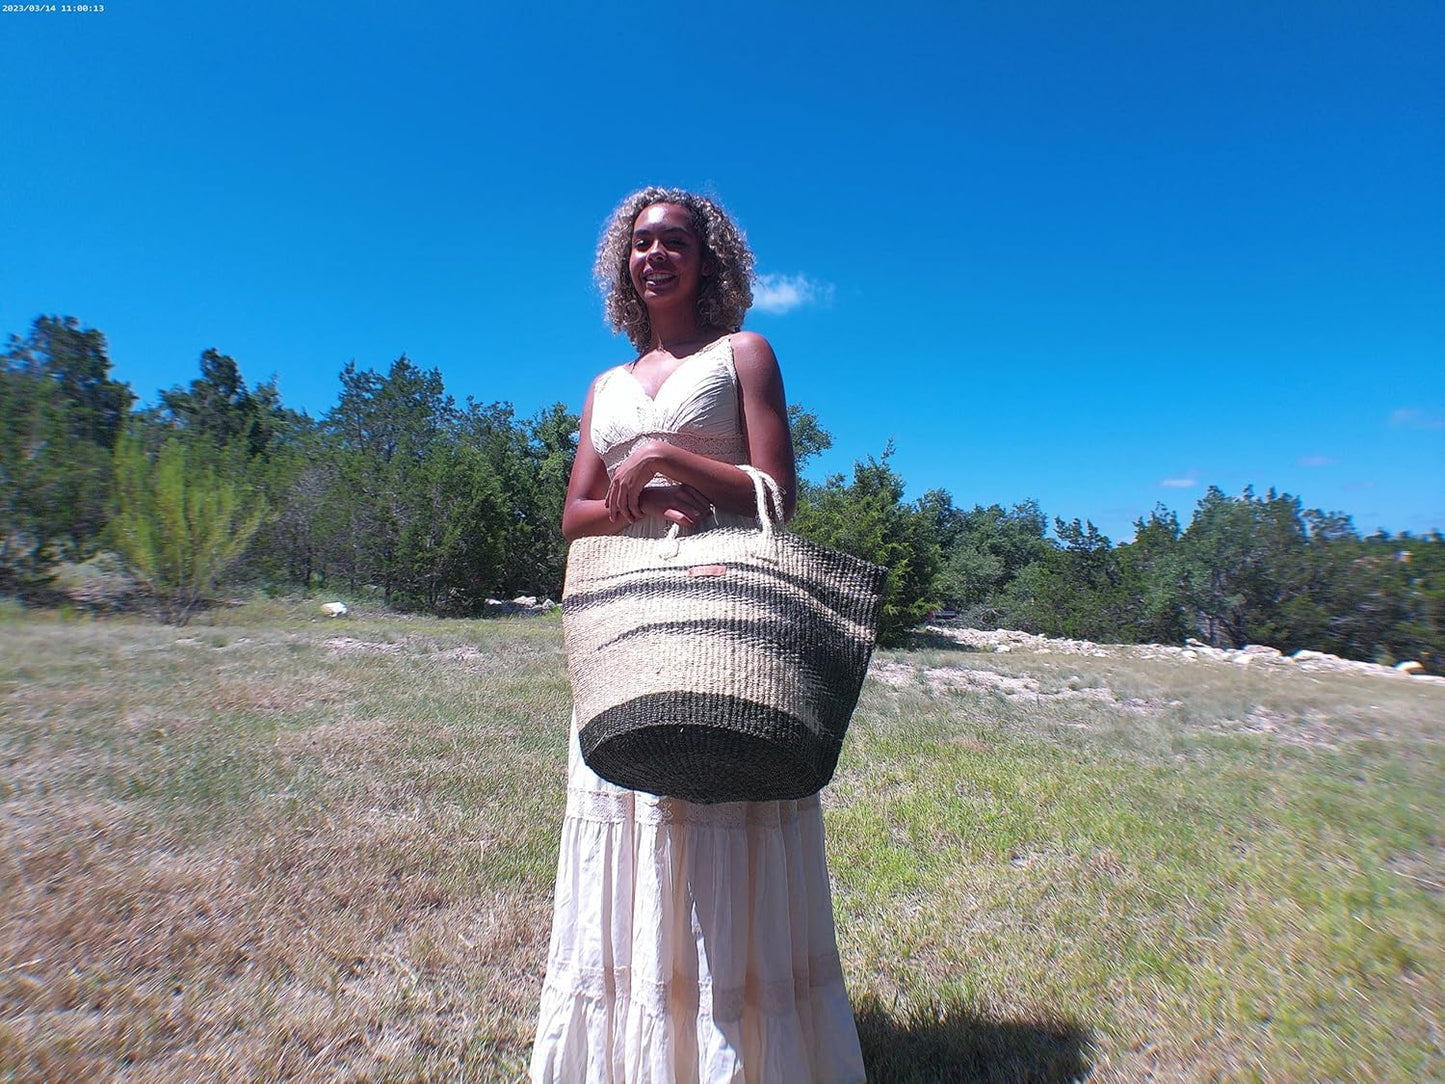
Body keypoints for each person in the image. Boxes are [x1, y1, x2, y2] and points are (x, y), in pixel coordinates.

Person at [529, 187, 867, 1083]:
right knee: (634, 815)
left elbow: (777, 494)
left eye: (674, 241)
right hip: (624, 626)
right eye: (641, 243)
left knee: (720, 811)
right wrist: (636, 495)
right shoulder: (604, 386)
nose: (655, 255)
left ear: (707, 259)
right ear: (624, 262)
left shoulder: (742, 353)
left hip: (722, 624)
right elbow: (574, 515)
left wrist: (667, 455)